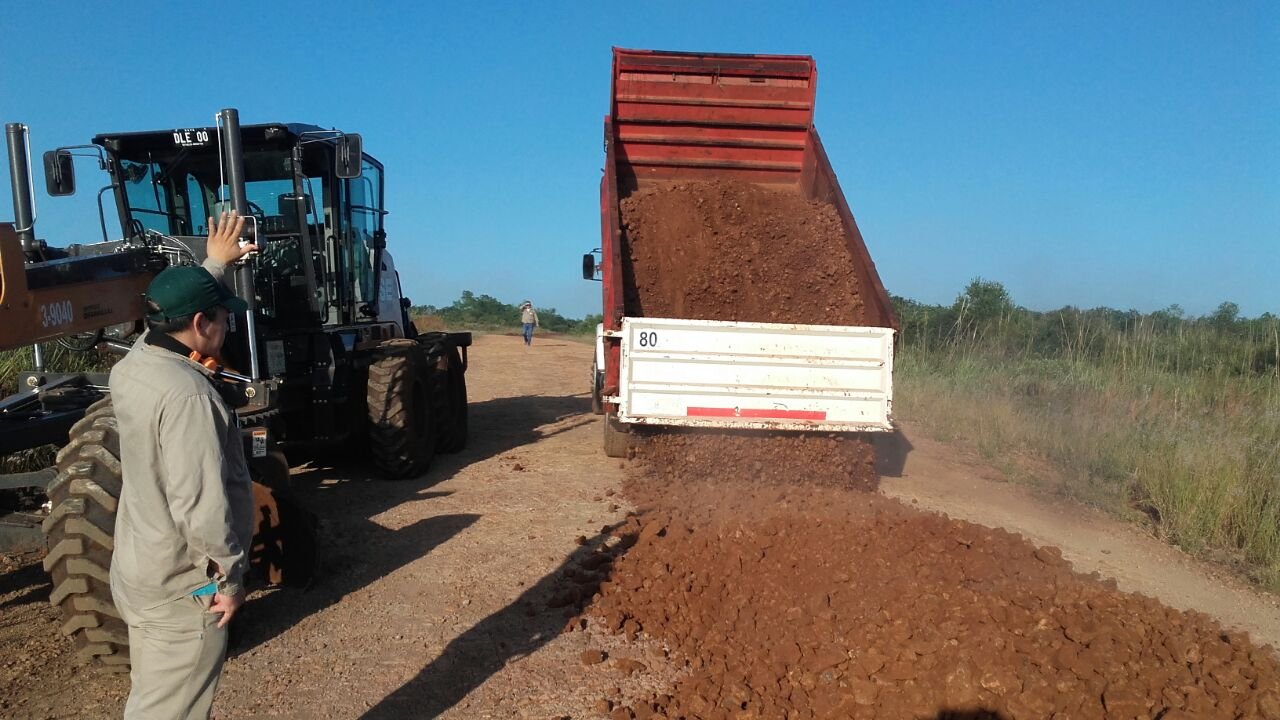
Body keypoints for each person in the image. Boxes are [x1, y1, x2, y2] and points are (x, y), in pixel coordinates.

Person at [109, 211, 258, 720]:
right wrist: (229, 581)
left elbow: (161, 327)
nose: (226, 326)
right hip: (184, 587)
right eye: (222, 317)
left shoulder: (134, 365)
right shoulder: (190, 396)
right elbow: (201, 505)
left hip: (140, 571)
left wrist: (213, 266)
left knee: (161, 694)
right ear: (200, 324)